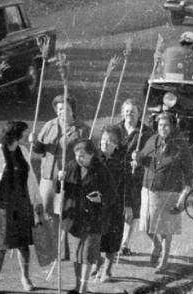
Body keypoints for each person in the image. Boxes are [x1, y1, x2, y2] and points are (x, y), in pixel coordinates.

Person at [0, 120, 43, 294]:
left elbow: (31, 178)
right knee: (1, 245)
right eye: (23, 133)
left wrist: (37, 201)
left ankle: (25, 277)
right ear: (16, 135)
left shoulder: (23, 151)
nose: (25, 136)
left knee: (23, 244)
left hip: (21, 203)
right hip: (2, 205)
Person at [134, 112, 193, 273]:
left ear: (173, 126)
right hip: (148, 189)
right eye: (160, 125)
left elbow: (189, 172)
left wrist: (184, 195)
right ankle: (157, 245)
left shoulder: (181, 145)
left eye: (166, 125)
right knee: (147, 226)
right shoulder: (152, 140)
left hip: (170, 191)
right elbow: (143, 157)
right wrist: (137, 158)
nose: (163, 128)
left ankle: (164, 260)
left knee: (166, 229)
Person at [62, 138, 118, 294]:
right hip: (75, 216)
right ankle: (77, 285)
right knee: (77, 254)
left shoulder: (101, 170)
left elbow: (112, 195)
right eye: (76, 155)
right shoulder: (72, 166)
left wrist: (101, 198)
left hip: (95, 217)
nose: (79, 159)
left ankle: (83, 288)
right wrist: (59, 179)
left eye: (82, 156)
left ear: (92, 155)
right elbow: (62, 189)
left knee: (87, 254)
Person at [31, 95, 90, 217]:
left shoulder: (82, 129)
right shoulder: (50, 125)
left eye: (66, 109)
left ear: (73, 110)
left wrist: (68, 171)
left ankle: (62, 237)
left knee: (64, 214)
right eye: (59, 109)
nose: (62, 112)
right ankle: (49, 237)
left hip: (68, 179)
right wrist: (34, 141)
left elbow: (86, 157)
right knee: (45, 213)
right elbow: (39, 149)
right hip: (48, 177)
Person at [95, 126, 133, 283]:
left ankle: (108, 270)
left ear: (117, 145)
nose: (106, 143)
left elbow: (128, 185)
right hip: (95, 205)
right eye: (103, 139)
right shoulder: (93, 159)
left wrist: (128, 205)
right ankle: (97, 263)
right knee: (94, 237)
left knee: (111, 238)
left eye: (110, 141)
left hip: (114, 206)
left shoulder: (122, 162)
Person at [114, 99, 152, 257]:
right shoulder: (115, 129)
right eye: (127, 111)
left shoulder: (146, 132)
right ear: (123, 113)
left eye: (133, 111)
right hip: (117, 173)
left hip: (135, 175)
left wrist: (140, 157)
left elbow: (150, 153)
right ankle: (116, 241)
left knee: (130, 210)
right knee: (117, 208)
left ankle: (124, 243)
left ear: (139, 114)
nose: (129, 114)